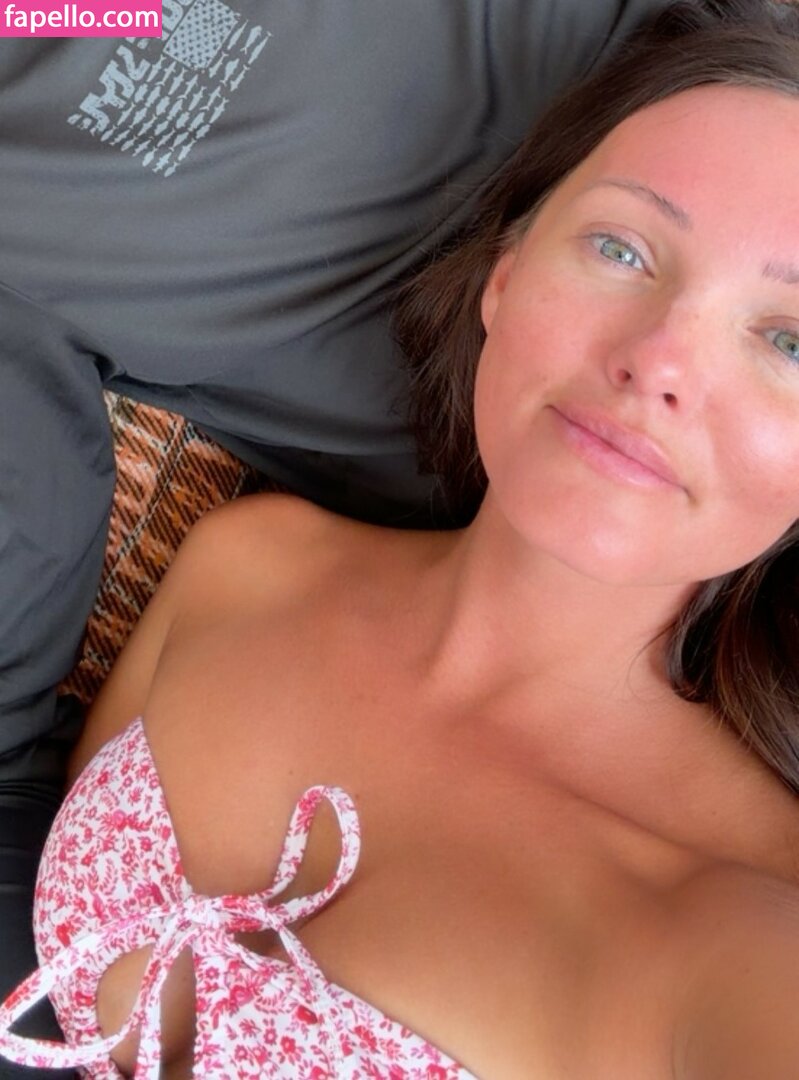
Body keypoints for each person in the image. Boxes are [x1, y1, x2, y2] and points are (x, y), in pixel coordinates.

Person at [3, 0, 799, 1074]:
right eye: (619, 247)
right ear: (505, 276)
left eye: (788, 342)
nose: (658, 361)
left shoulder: (745, 939)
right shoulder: (247, 568)